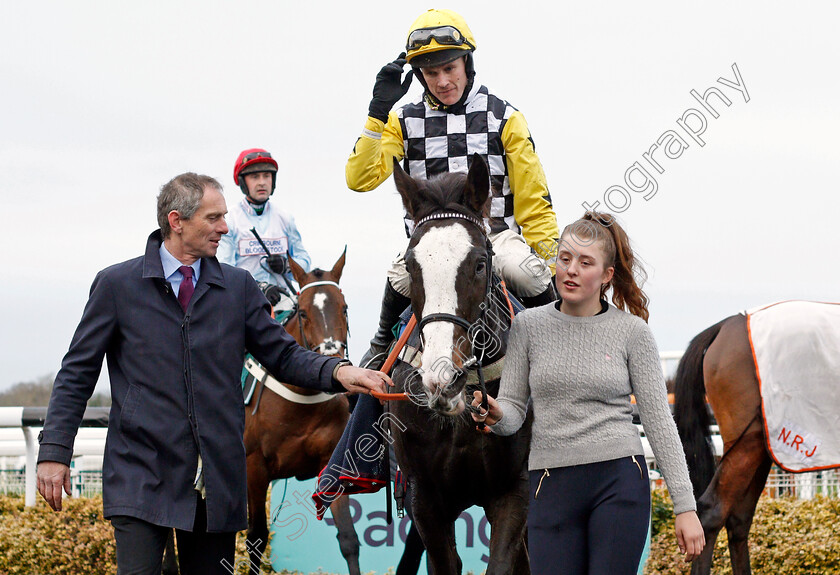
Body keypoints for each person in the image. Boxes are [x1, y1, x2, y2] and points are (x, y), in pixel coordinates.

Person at [36, 173, 389, 575]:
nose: (225, 226)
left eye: (224, 217)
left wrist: (340, 371)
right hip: (140, 472)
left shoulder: (237, 287)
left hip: (216, 480)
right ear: (176, 221)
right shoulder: (117, 285)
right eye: (214, 218)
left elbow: (284, 355)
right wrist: (54, 451)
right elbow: (76, 373)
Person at [470, 212, 705, 574]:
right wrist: (496, 413)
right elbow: (515, 410)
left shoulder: (633, 333)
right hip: (550, 483)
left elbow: (659, 423)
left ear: (607, 275)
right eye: (564, 259)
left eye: (585, 262)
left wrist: (685, 507)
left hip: (619, 481)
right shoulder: (528, 326)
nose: (571, 270)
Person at [346, 8, 559, 369]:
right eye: (431, 73)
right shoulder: (401, 120)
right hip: (429, 241)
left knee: (526, 270)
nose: (442, 81)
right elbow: (360, 179)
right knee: (399, 276)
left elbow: (533, 202)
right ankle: (381, 347)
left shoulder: (504, 117)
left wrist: (550, 262)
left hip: (492, 238)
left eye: (450, 69)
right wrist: (377, 113)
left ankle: (561, 345)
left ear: (467, 63)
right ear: (419, 75)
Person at [218, 148, 310, 309]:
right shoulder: (229, 220)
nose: (262, 182)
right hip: (245, 304)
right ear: (242, 182)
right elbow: (225, 269)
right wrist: (259, 287)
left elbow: (305, 263)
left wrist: (286, 265)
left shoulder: (285, 219)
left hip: (285, 304)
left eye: (266, 176)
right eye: (255, 177)